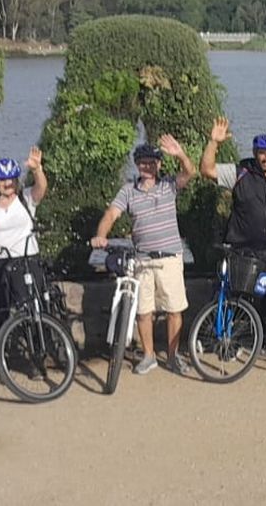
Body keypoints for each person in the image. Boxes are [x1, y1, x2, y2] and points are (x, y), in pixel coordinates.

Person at [90, 136, 195, 376]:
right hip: (143, 259)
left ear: (159, 164)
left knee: (174, 309)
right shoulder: (128, 190)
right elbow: (111, 214)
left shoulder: (169, 185)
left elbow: (190, 172)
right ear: (137, 165)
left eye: (152, 163)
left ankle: (172, 355)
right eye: (142, 163)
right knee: (143, 310)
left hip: (169, 257)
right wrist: (101, 235)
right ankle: (149, 356)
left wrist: (179, 153)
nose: (147, 167)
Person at [199, 118, 266, 352]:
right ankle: (233, 334)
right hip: (243, 247)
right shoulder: (240, 173)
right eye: (263, 153)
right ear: (255, 153)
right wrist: (213, 142)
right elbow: (207, 169)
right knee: (240, 292)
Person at [0, 146, 49, 381]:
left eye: (10, 179)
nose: (7, 184)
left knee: (32, 311)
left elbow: (41, 188)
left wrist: (37, 170)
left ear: (16, 180)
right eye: (2, 180)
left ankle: (36, 360)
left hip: (26, 260)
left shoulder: (26, 198)